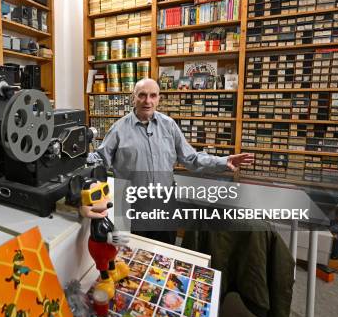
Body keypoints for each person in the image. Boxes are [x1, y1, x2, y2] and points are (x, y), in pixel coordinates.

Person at [89, 78, 254, 244]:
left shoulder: (169, 126)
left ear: (159, 98)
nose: (148, 101)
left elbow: (191, 158)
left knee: (165, 254)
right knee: (129, 256)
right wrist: (74, 159)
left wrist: (223, 161)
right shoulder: (118, 129)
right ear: (134, 97)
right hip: (130, 210)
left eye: (153, 95)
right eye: (142, 95)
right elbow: (100, 160)